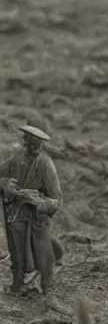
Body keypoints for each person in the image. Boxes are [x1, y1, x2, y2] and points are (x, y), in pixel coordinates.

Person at [0, 125, 63, 296]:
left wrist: (39, 202)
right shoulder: (16, 159)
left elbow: (56, 199)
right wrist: (5, 184)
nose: (33, 148)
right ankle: (18, 284)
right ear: (26, 143)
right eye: (29, 142)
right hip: (15, 214)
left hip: (36, 218)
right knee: (17, 251)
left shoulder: (45, 165)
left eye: (37, 144)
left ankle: (48, 287)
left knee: (42, 253)